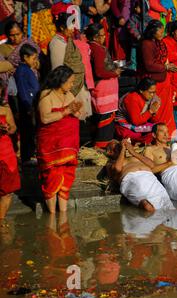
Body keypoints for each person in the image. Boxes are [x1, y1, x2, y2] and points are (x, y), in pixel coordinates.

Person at [36, 65, 84, 214]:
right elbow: (44, 118)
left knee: (67, 175)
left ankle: (63, 215)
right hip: (52, 147)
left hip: (69, 146)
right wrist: (66, 112)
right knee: (52, 177)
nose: (71, 85)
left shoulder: (69, 95)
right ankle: (51, 216)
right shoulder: (46, 95)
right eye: (70, 82)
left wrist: (76, 111)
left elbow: (79, 114)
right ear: (61, 81)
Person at [105, 139, 175, 213]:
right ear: (109, 152)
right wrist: (122, 150)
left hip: (150, 179)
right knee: (148, 207)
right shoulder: (110, 163)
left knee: (168, 208)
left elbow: (152, 164)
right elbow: (117, 169)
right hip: (132, 180)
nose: (119, 147)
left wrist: (133, 152)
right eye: (116, 147)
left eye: (118, 146)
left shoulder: (134, 157)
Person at [140, 20, 177, 137]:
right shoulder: (146, 44)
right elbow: (149, 65)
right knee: (157, 111)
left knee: (167, 111)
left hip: (164, 81)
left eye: (163, 32)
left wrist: (168, 67)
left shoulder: (158, 42)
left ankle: (169, 136)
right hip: (154, 83)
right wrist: (165, 67)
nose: (162, 34)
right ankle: (157, 136)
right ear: (153, 31)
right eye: (160, 32)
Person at [86, 23, 121, 149]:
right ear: (95, 37)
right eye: (102, 35)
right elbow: (100, 71)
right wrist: (114, 72)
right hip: (104, 92)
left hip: (102, 91)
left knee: (100, 118)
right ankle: (101, 148)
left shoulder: (92, 47)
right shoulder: (97, 49)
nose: (104, 38)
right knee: (105, 121)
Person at [14, 44, 40, 166]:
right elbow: (23, 91)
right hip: (27, 107)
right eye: (33, 58)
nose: (35, 61)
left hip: (31, 106)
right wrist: (28, 107)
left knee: (31, 132)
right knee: (27, 132)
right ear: (25, 57)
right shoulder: (22, 71)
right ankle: (27, 157)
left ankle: (30, 155)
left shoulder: (26, 70)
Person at [115, 78, 161, 145]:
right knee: (136, 135)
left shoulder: (152, 97)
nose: (153, 95)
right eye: (150, 92)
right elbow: (136, 121)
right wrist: (150, 111)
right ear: (141, 90)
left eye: (154, 92)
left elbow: (154, 119)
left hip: (139, 123)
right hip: (124, 124)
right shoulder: (132, 98)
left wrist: (154, 112)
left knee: (159, 129)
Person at [0, 84, 20, 222]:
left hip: (5, 152)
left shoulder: (5, 109)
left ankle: (1, 220)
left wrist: (7, 128)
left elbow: (13, 127)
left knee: (7, 192)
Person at [126, 0, 152, 71]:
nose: (135, 9)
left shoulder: (149, 19)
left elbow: (152, 28)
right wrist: (138, 36)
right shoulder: (133, 18)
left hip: (145, 42)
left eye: (137, 7)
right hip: (135, 41)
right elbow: (131, 26)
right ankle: (133, 67)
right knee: (133, 54)